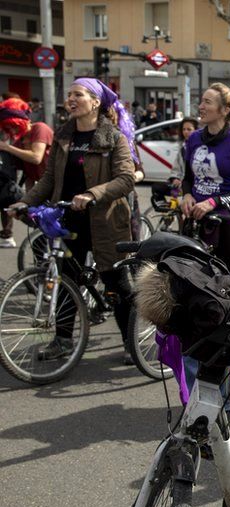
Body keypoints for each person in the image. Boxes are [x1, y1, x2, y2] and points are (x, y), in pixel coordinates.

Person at [7, 78, 137, 362]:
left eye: (78, 94)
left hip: (105, 221)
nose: (71, 99)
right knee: (67, 280)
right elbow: (49, 179)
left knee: (116, 284)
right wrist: (25, 202)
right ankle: (63, 340)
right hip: (70, 220)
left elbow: (126, 179)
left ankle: (131, 343)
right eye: (69, 95)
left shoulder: (113, 137)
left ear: (96, 102)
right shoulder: (64, 136)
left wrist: (92, 193)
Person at [180, 83, 230, 273]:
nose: (201, 107)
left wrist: (214, 202)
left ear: (224, 110)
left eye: (207, 102)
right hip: (197, 219)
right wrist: (187, 195)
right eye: (201, 101)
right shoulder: (194, 139)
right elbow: (188, 177)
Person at [0, 97, 54, 247]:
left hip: (58, 186)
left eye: (14, 126)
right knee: (38, 233)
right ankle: (43, 265)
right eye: (8, 128)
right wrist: (30, 200)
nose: (12, 131)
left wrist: (7, 147)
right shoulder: (19, 142)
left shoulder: (40, 128)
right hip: (41, 188)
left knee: (58, 231)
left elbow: (36, 157)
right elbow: (29, 174)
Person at [152, 117, 198, 206]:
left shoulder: (200, 147)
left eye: (189, 129)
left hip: (192, 186)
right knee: (157, 188)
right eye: (184, 129)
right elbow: (176, 168)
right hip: (181, 183)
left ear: (196, 130)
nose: (186, 132)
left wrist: (184, 182)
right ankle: (169, 213)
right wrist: (175, 178)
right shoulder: (183, 147)